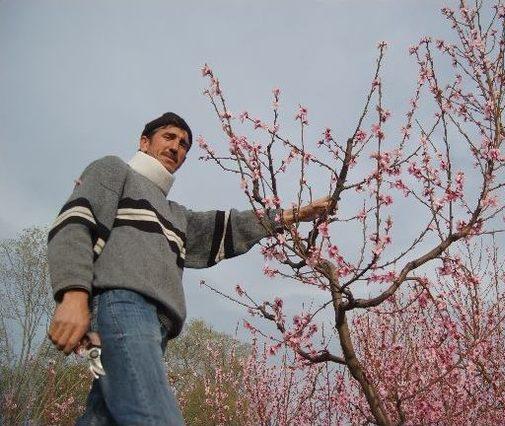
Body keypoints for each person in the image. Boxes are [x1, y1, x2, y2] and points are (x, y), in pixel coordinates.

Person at [47, 112, 331, 425]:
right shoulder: (114, 170)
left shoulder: (177, 215)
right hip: (122, 304)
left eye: (184, 145)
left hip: (159, 326)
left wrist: (295, 214)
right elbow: (75, 223)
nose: (176, 148)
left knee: (105, 416)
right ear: (145, 141)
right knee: (154, 415)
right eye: (169, 137)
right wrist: (73, 294)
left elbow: (233, 225)